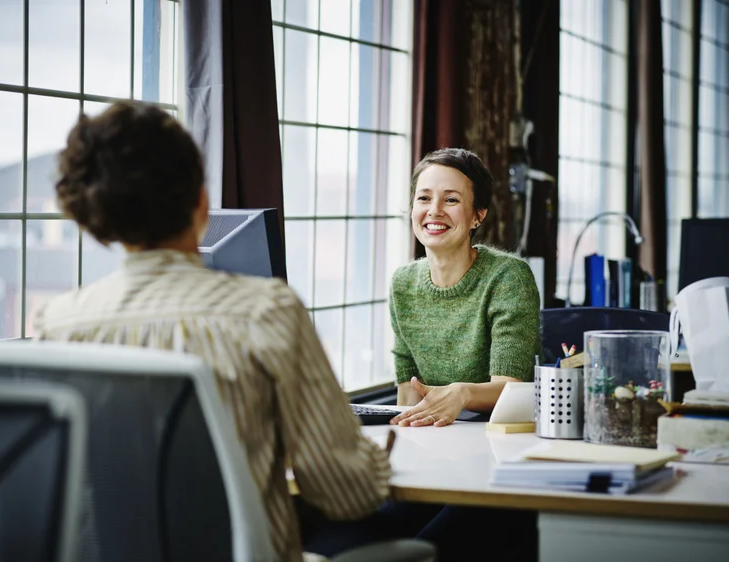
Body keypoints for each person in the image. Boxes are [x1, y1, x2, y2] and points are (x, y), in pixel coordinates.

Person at [33, 101, 392, 562]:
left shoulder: (58, 325)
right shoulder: (266, 311)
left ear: (97, 220)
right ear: (202, 202)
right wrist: (378, 457)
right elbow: (347, 494)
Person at [389, 147, 541, 427]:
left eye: (451, 200)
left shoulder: (509, 278)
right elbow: (408, 395)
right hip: (436, 437)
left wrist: (462, 392)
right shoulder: (402, 284)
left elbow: (511, 389)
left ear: (478, 216)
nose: (434, 211)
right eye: (423, 198)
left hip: (500, 436)